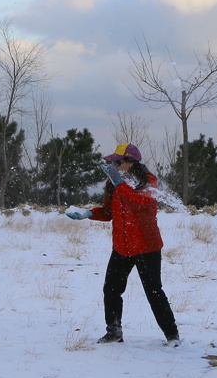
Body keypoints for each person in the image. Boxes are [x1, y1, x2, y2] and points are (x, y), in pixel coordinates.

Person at [67, 143, 179, 346]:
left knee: (154, 291)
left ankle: (172, 336)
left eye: (118, 162)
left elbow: (139, 202)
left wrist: (119, 182)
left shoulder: (148, 181)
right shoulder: (114, 184)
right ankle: (113, 332)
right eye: (113, 162)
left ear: (131, 162)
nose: (114, 165)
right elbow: (108, 212)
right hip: (122, 246)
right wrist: (89, 213)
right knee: (111, 289)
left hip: (146, 246)